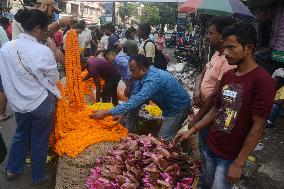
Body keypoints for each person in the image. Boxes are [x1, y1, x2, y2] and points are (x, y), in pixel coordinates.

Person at [174, 22, 276, 189]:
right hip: (211, 144)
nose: (226, 52)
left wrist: (239, 163)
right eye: (225, 46)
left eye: (231, 47)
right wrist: (191, 130)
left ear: (248, 47)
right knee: (205, 183)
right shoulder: (229, 75)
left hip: (230, 155)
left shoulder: (263, 81)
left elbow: (258, 127)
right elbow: (216, 109)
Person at [0, 8, 60, 185]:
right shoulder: (43, 51)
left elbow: (6, 75)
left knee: (20, 135)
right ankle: (37, 176)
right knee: (39, 141)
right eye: (45, 30)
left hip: (18, 104)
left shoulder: (6, 48)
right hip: (41, 104)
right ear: (36, 29)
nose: (46, 34)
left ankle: (12, 169)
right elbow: (53, 79)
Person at [90, 54, 191, 142]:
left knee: (162, 140)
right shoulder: (142, 76)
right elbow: (134, 97)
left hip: (178, 109)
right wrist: (122, 113)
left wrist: (107, 112)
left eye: (132, 71)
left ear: (143, 69)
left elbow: (136, 101)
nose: (130, 74)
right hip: (169, 109)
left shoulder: (153, 79)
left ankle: (173, 158)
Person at [189, 17, 236, 187]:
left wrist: (197, 119)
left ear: (222, 36)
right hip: (204, 108)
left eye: (211, 33)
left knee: (209, 153)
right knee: (204, 151)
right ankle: (204, 180)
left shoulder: (228, 62)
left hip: (211, 113)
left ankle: (206, 182)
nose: (207, 36)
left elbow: (216, 97)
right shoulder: (216, 53)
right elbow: (202, 73)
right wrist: (196, 89)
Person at [12, 0, 72, 65]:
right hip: (22, 65)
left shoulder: (42, 28)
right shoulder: (25, 17)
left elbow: (55, 49)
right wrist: (59, 23)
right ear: (44, 7)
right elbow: (39, 32)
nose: (52, 15)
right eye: (52, 11)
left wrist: (70, 66)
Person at [0, 17, 12, 122]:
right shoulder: (0, 30)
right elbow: (6, 49)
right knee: (2, 90)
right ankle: (2, 114)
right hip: (1, 65)